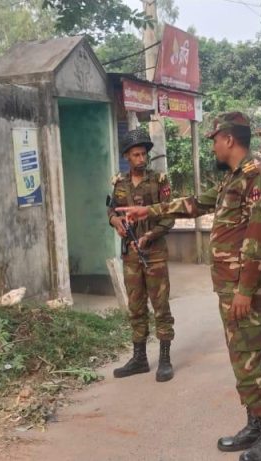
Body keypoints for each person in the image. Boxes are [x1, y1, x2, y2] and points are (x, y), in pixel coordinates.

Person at [118, 112, 261, 461]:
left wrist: (244, 289)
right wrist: (147, 209)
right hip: (230, 286)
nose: (211, 144)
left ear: (228, 139)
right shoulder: (232, 180)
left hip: (244, 289)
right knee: (240, 359)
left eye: (213, 138)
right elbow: (194, 204)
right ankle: (255, 422)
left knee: (249, 359)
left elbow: (259, 239)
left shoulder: (258, 179)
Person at [107, 129, 176, 382]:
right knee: (135, 307)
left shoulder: (159, 181)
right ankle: (139, 358)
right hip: (131, 257)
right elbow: (111, 210)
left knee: (160, 307)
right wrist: (115, 222)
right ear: (127, 156)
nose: (141, 159)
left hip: (154, 254)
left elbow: (169, 217)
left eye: (143, 154)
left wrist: (150, 236)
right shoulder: (119, 183)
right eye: (135, 155)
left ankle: (165, 358)